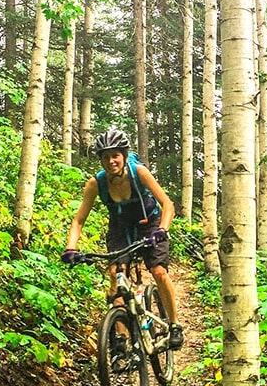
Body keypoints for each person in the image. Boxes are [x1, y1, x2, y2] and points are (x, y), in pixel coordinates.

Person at [63, 128, 183, 349]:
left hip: (151, 224)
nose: (111, 161)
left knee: (158, 271)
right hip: (120, 229)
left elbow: (168, 204)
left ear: (124, 156)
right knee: (116, 276)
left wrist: (163, 230)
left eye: (115, 155)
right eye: (105, 157)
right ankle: (120, 336)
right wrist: (71, 248)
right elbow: (78, 220)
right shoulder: (96, 184)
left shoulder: (139, 173)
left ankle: (174, 324)